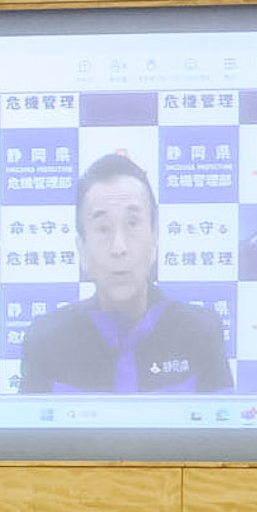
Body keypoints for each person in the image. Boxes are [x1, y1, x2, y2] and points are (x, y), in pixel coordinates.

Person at [16, 153, 233, 396]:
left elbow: (224, 432)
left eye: (132, 224)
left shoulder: (200, 332)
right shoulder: (46, 341)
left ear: (155, 238)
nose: (119, 247)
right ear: (82, 249)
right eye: (103, 229)